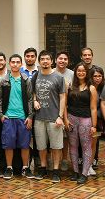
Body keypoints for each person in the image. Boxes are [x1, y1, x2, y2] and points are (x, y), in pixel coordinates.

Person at [0, 54, 34, 180]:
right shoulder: (3, 81)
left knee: (24, 145)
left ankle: (25, 168)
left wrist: (30, 116)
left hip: (23, 118)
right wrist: (1, 115)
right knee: (9, 145)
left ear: (21, 64)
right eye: (13, 62)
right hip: (8, 118)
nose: (15, 64)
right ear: (9, 64)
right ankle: (9, 168)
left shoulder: (26, 80)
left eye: (18, 62)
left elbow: (30, 99)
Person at [32, 50, 66, 183]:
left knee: (56, 146)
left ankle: (56, 171)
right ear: (39, 62)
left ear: (52, 61)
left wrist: (60, 116)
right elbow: (33, 92)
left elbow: (62, 98)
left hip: (54, 118)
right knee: (41, 146)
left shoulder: (58, 77)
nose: (45, 61)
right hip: (39, 118)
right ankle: (43, 168)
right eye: (42, 59)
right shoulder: (36, 76)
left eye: (47, 59)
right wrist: (35, 100)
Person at [64, 62, 97, 184]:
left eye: (83, 71)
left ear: (87, 73)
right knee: (72, 146)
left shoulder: (91, 88)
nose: (81, 73)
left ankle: (84, 173)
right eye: (79, 71)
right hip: (71, 118)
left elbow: (93, 108)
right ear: (75, 72)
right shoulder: (70, 85)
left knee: (86, 146)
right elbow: (65, 104)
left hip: (86, 119)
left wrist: (94, 125)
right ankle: (75, 172)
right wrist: (65, 119)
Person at [54, 51, 74, 172]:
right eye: (60, 58)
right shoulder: (50, 72)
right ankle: (52, 159)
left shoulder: (72, 74)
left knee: (66, 136)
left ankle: (65, 159)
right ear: (55, 60)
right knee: (52, 135)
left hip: (68, 108)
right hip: (52, 108)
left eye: (65, 59)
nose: (62, 61)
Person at [89, 66, 105, 173]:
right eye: (95, 76)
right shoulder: (87, 87)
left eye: (100, 76)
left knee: (93, 143)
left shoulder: (104, 88)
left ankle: (90, 165)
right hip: (85, 118)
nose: (97, 78)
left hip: (97, 121)